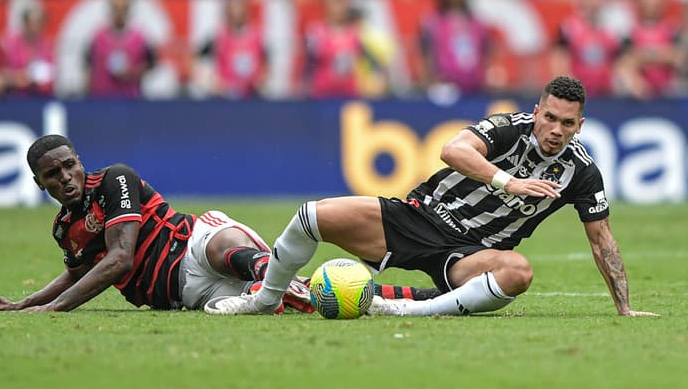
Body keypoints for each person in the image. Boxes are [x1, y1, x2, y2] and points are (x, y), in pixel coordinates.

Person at [205, 76, 658, 318]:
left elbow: (603, 240)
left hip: (468, 255)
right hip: (417, 216)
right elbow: (452, 150)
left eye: (568, 124)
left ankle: (411, 310)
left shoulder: (581, 172)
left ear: (581, 126)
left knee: (518, 271)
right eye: (551, 118)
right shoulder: (508, 128)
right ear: (537, 111)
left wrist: (623, 306)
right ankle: (264, 299)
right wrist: (508, 182)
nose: (556, 131)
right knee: (311, 216)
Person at [0, 134, 317, 313]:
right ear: (39, 184)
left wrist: (53, 309)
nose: (66, 177)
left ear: (79, 161)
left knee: (224, 251)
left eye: (69, 165)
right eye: (53, 174)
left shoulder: (115, 179)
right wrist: (24, 303)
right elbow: (77, 273)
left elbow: (120, 257)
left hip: (193, 245)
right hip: (187, 294)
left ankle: (283, 279)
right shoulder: (64, 229)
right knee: (277, 301)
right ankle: (360, 295)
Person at [87, 0, 155, 98]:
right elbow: (88, 66)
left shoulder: (139, 37)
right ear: (111, 9)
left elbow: (151, 64)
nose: (119, 13)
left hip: (130, 99)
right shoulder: (98, 37)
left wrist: (132, 73)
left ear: (128, 10)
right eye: (116, 8)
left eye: (123, 8)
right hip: (102, 98)